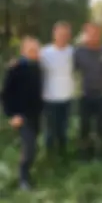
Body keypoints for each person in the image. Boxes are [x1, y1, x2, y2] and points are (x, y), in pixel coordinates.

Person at [1, 37, 43, 190]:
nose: (35, 53)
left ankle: (27, 175)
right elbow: (6, 94)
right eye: (31, 50)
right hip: (21, 116)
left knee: (32, 147)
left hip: (36, 114)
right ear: (23, 51)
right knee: (29, 147)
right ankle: (23, 180)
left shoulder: (38, 67)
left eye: (37, 50)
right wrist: (12, 115)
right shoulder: (16, 68)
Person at [74, 23, 102, 160]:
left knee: (101, 126)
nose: (93, 35)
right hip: (85, 94)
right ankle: (84, 154)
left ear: (100, 34)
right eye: (90, 33)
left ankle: (100, 154)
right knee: (85, 126)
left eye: (96, 33)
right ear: (85, 34)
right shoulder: (78, 52)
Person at [41, 21, 74, 157]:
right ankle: (49, 158)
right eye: (60, 33)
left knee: (63, 130)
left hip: (67, 97)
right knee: (50, 131)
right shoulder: (44, 52)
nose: (62, 36)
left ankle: (62, 157)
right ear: (54, 34)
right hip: (49, 98)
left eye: (65, 34)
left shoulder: (73, 52)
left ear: (69, 36)